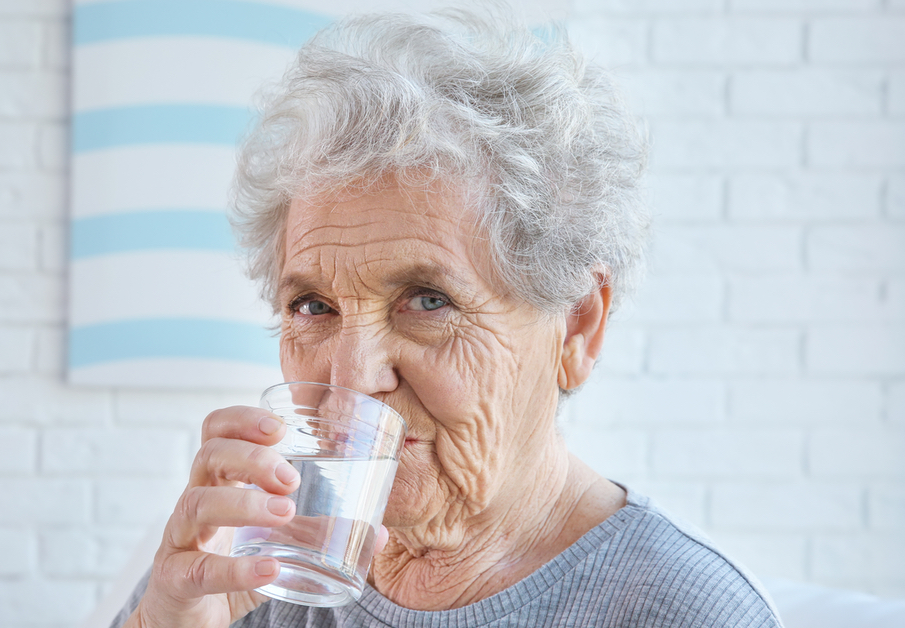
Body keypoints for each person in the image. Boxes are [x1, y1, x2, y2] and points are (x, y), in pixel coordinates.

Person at [113, 9, 782, 628]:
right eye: (313, 307)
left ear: (577, 326)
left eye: (428, 301)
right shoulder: (250, 574)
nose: (350, 380)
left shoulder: (689, 610)